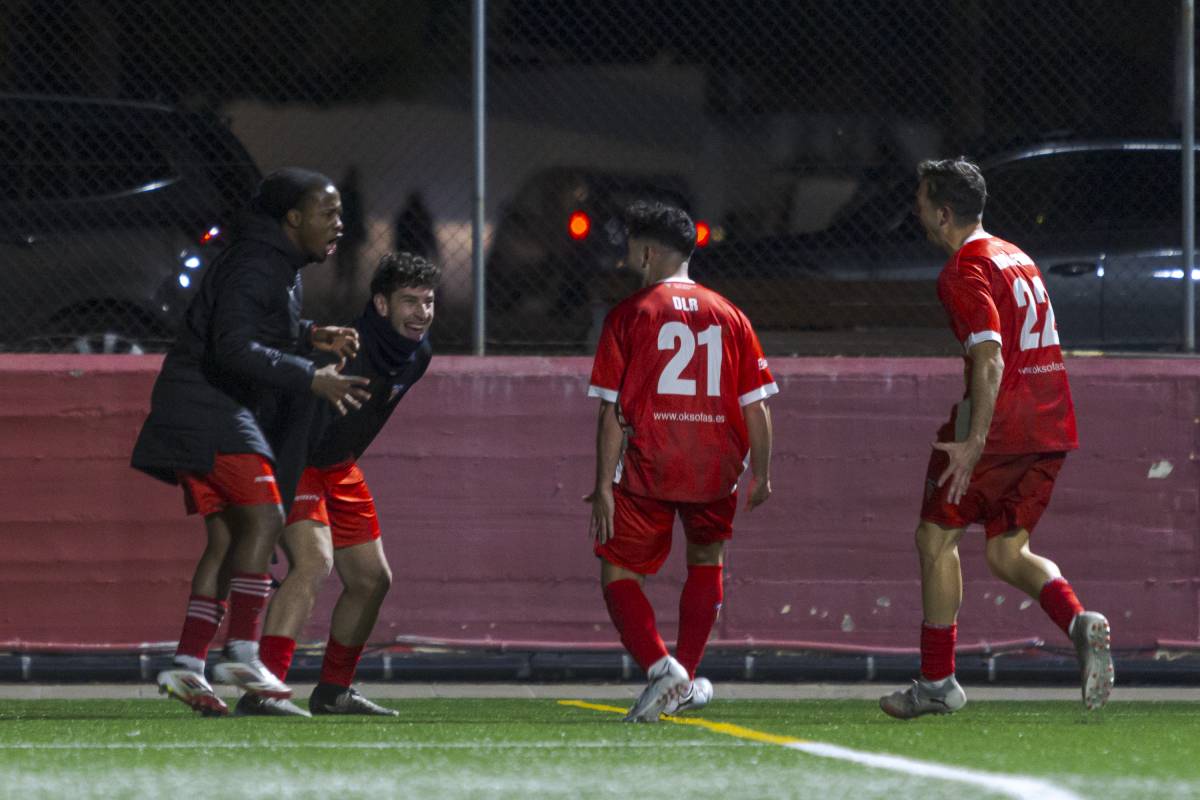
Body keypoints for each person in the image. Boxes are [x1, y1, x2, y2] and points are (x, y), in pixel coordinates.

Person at [879, 157, 1114, 719]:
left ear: (943, 212)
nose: (917, 212)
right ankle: (1078, 621)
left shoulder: (964, 269)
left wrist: (975, 440)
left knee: (935, 539)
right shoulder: (1016, 255)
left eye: (921, 203)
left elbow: (989, 356)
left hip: (1003, 428)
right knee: (1009, 552)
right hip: (1052, 423)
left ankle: (937, 682)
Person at [132, 168, 372, 716]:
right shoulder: (258, 262)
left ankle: (187, 666)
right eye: (329, 213)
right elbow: (233, 347)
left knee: (227, 537)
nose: (341, 223)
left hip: (199, 403)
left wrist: (311, 334)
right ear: (294, 218)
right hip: (207, 404)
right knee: (265, 518)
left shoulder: (272, 263)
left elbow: (252, 325)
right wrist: (310, 374)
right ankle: (241, 652)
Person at [586, 201, 777, 723]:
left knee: (618, 573)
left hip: (652, 463)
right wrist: (763, 470)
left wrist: (603, 483)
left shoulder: (629, 314)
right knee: (707, 562)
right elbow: (756, 405)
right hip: (715, 465)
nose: (627, 261)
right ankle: (686, 678)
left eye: (630, 250)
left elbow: (610, 410)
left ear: (647, 252)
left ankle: (660, 668)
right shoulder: (730, 313)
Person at [235, 252, 439, 718]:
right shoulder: (342, 350)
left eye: (428, 302)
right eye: (410, 301)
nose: (422, 313)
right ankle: (261, 691)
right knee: (314, 563)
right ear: (381, 305)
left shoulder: (418, 356)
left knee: (372, 579)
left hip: (338, 466)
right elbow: (285, 422)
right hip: (295, 461)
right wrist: (273, 503)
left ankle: (333, 693)